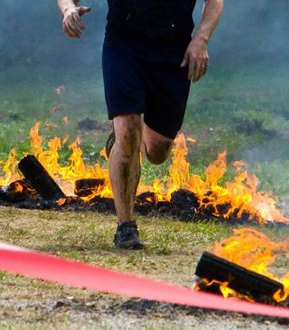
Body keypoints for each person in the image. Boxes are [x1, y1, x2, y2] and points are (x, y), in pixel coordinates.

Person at [57, 0, 223, 249]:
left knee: (157, 152)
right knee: (129, 134)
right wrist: (68, 9)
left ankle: (124, 140)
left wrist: (201, 39)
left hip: (172, 52)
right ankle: (125, 227)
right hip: (124, 46)